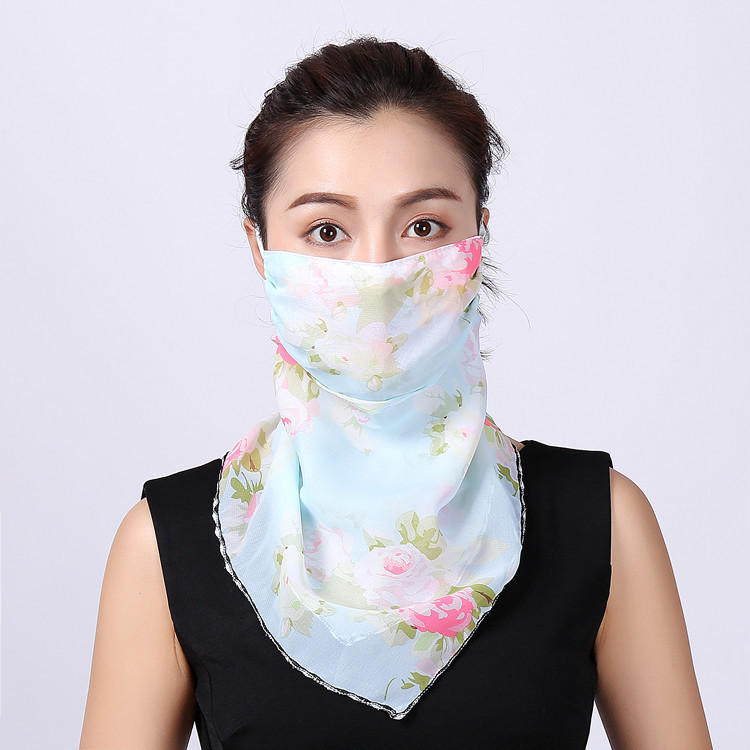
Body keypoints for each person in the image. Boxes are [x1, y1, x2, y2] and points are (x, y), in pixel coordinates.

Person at [79, 37, 712, 749]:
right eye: (326, 231)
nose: (378, 273)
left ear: (478, 236)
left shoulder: (602, 521)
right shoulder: (168, 544)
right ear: (260, 247)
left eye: (423, 227)